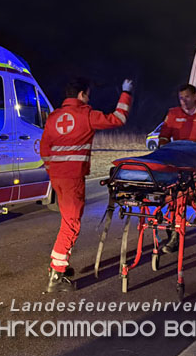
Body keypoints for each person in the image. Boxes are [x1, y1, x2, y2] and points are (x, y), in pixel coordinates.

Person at [40, 77, 134, 293]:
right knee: (71, 224)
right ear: (82, 94)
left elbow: (44, 148)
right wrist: (126, 92)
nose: (88, 98)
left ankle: (59, 265)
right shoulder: (86, 115)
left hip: (57, 179)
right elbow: (118, 118)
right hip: (73, 179)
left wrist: (52, 170)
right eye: (88, 94)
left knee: (66, 221)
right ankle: (56, 274)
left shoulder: (54, 117)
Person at [157, 83, 196, 253]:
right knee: (176, 198)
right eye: (180, 98)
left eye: (186, 97)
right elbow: (163, 137)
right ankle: (175, 236)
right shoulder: (173, 114)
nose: (183, 101)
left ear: (195, 97)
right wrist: (165, 154)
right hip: (178, 166)